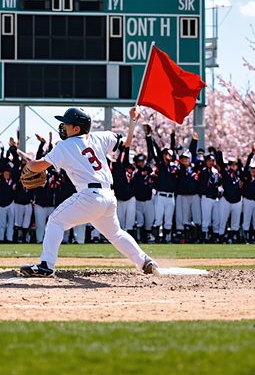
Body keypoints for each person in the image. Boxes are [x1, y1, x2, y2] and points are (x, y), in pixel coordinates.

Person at [17, 107, 159, 277]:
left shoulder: (65, 145)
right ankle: (144, 261)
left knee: (55, 221)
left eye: (67, 124)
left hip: (89, 196)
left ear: (77, 128)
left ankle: (46, 265)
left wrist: (29, 165)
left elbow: (40, 166)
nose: (63, 126)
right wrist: (132, 121)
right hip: (108, 196)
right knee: (116, 234)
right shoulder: (101, 136)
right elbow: (127, 143)